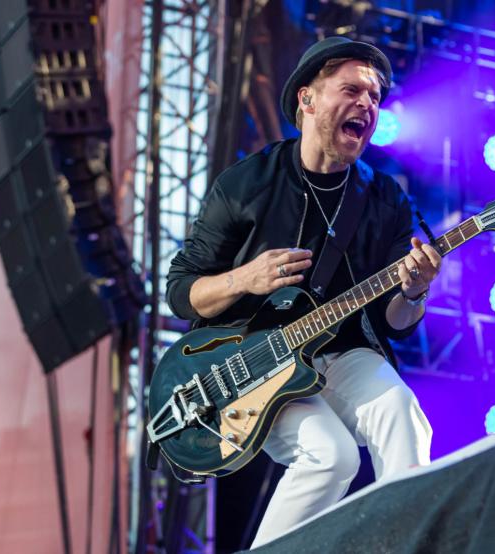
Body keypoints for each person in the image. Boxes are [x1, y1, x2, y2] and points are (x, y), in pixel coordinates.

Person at [165, 36, 441, 547]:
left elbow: (395, 324)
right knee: (331, 456)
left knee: (401, 414)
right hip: (251, 364)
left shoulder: (386, 199)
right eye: (352, 90)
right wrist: (244, 279)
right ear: (307, 99)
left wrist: (415, 291)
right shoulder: (246, 184)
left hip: (342, 353)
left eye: (375, 97)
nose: (367, 104)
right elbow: (181, 291)